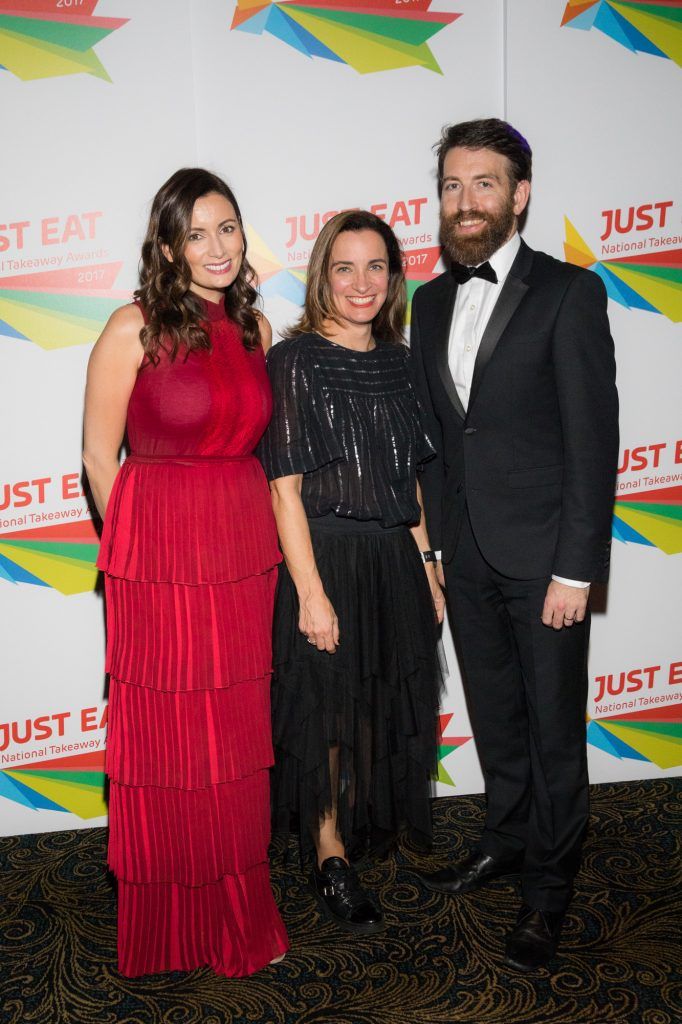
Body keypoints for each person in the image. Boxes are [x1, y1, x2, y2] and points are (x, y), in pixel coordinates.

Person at [410, 119, 619, 971]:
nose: (466, 202)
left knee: (553, 733)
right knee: (496, 719)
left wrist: (576, 568)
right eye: (453, 186)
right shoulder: (425, 303)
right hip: (465, 558)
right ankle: (502, 838)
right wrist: (434, 556)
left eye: (484, 184)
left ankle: (549, 892)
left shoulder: (570, 294)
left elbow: (592, 441)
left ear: (519, 194)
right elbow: (433, 441)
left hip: (545, 566)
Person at [83, 168, 288, 976]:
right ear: (167, 245)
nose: (216, 247)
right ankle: (171, 928)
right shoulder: (132, 328)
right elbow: (101, 456)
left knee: (235, 741)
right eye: (197, 233)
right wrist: (136, 553)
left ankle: (238, 914)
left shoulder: (257, 331)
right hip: (159, 558)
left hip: (241, 550)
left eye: (228, 228)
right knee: (172, 742)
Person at [258, 210, 445, 934]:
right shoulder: (297, 360)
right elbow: (285, 488)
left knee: (377, 705)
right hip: (326, 554)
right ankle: (329, 854)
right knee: (326, 712)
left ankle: (356, 825)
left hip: (394, 556)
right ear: (322, 277)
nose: (361, 283)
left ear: (394, 279)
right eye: (345, 267)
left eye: (376, 268)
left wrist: (429, 564)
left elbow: (413, 480)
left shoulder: (401, 360)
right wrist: (310, 592)